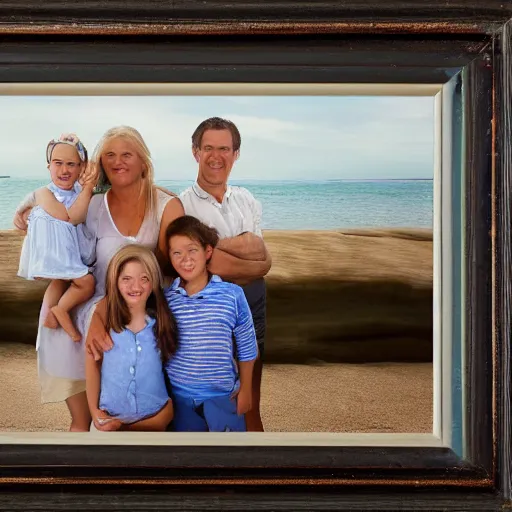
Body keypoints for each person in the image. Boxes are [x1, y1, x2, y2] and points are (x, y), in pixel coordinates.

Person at [13, 125, 184, 432]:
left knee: (136, 407)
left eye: (127, 154)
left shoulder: (166, 205)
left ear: (144, 161)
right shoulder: (90, 205)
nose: (118, 161)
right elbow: (66, 252)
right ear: (99, 164)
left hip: (139, 309)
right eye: (110, 155)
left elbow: (174, 267)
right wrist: (30, 212)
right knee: (83, 420)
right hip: (86, 308)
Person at [179, 117, 271, 432]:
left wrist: (218, 248)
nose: (216, 156)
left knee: (252, 399)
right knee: (216, 402)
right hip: (209, 314)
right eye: (208, 148)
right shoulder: (182, 205)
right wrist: (249, 257)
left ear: (236, 154)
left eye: (224, 149)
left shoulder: (247, 199)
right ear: (195, 152)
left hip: (254, 303)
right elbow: (211, 265)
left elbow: (262, 254)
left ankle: (259, 470)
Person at [164, 215, 258, 432]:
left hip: (224, 397)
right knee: (187, 460)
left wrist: (246, 390)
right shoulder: (167, 299)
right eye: (176, 253)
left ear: (207, 252)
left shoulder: (232, 294)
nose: (184, 258)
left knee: (227, 459)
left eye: (191, 250)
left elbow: (247, 345)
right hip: (179, 398)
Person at [86, 244, 176, 432]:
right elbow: (92, 367)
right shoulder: (104, 328)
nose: (135, 286)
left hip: (155, 419)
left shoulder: (162, 325)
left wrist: (167, 411)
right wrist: (94, 412)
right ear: (115, 282)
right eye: (126, 279)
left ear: (153, 282)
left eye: (144, 279)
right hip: (108, 420)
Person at [17, 133, 96, 342]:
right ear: (48, 166)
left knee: (60, 283)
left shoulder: (77, 190)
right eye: (58, 163)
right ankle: (61, 309)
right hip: (54, 255)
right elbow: (69, 216)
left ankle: (51, 317)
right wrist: (21, 213)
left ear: (81, 167)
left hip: (66, 253)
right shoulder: (45, 192)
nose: (64, 170)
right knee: (87, 284)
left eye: (71, 164)